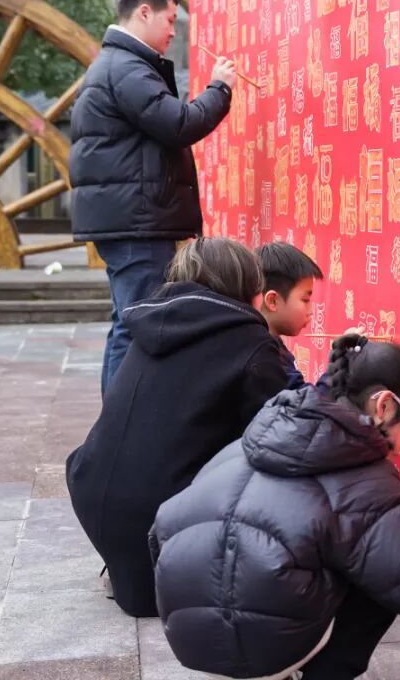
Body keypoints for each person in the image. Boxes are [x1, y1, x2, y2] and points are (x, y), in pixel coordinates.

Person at [150, 335, 400, 680]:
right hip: (261, 649)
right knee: (380, 578)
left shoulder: (251, 440)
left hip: (189, 637)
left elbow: (161, 530)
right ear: (384, 406)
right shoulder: (371, 483)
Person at [66, 237, 289, 618]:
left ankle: (135, 571)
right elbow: (280, 437)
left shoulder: (150, 323)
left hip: (94, 496)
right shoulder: (248, 341)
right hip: (156, 518)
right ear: (245, 285)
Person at [69, 0, 239, 396]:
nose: (173, 31)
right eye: (169, 19)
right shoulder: (126, 68)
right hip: (137, 221)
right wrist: (219, 87)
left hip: (130, 217)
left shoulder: (117, 65)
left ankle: (118, 419)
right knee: (137, 324)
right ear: (144, 12)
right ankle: (120, 421)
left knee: (129, 321)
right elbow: (179, 124)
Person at [254, 241, 324, 386]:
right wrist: (341, 361)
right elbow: (301, 398)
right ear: (273, 301)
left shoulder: (271, 345)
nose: (311, 311)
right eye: (305, 300)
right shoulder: (263, 356)